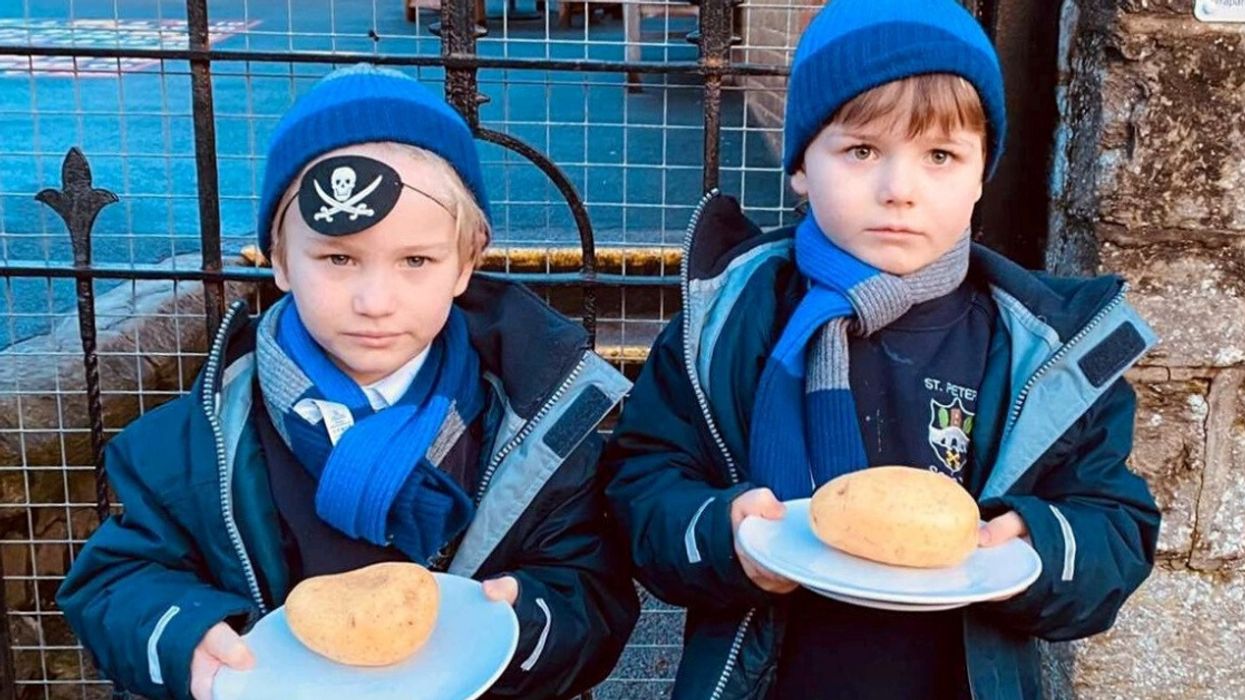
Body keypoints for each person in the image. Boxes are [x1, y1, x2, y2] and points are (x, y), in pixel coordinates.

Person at [602, 1, 1161, 697]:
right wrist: (723, 534)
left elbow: (1116, 525)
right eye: (862, 151)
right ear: (801, 164)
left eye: (940, 156)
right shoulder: (725, 321)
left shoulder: (1045, 351)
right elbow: (642, 481)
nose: (899, 191)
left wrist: (1035, 544)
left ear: (981, 173)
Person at [58, 63, 638, 700]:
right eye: (338, 257)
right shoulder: (193, 445)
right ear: (280, 260)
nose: (374, 301)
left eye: (415, 260)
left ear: (465, 264)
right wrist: (184, 637)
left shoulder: (541, 423)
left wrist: (523, 629)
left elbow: (592, 592)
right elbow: (115, 581)